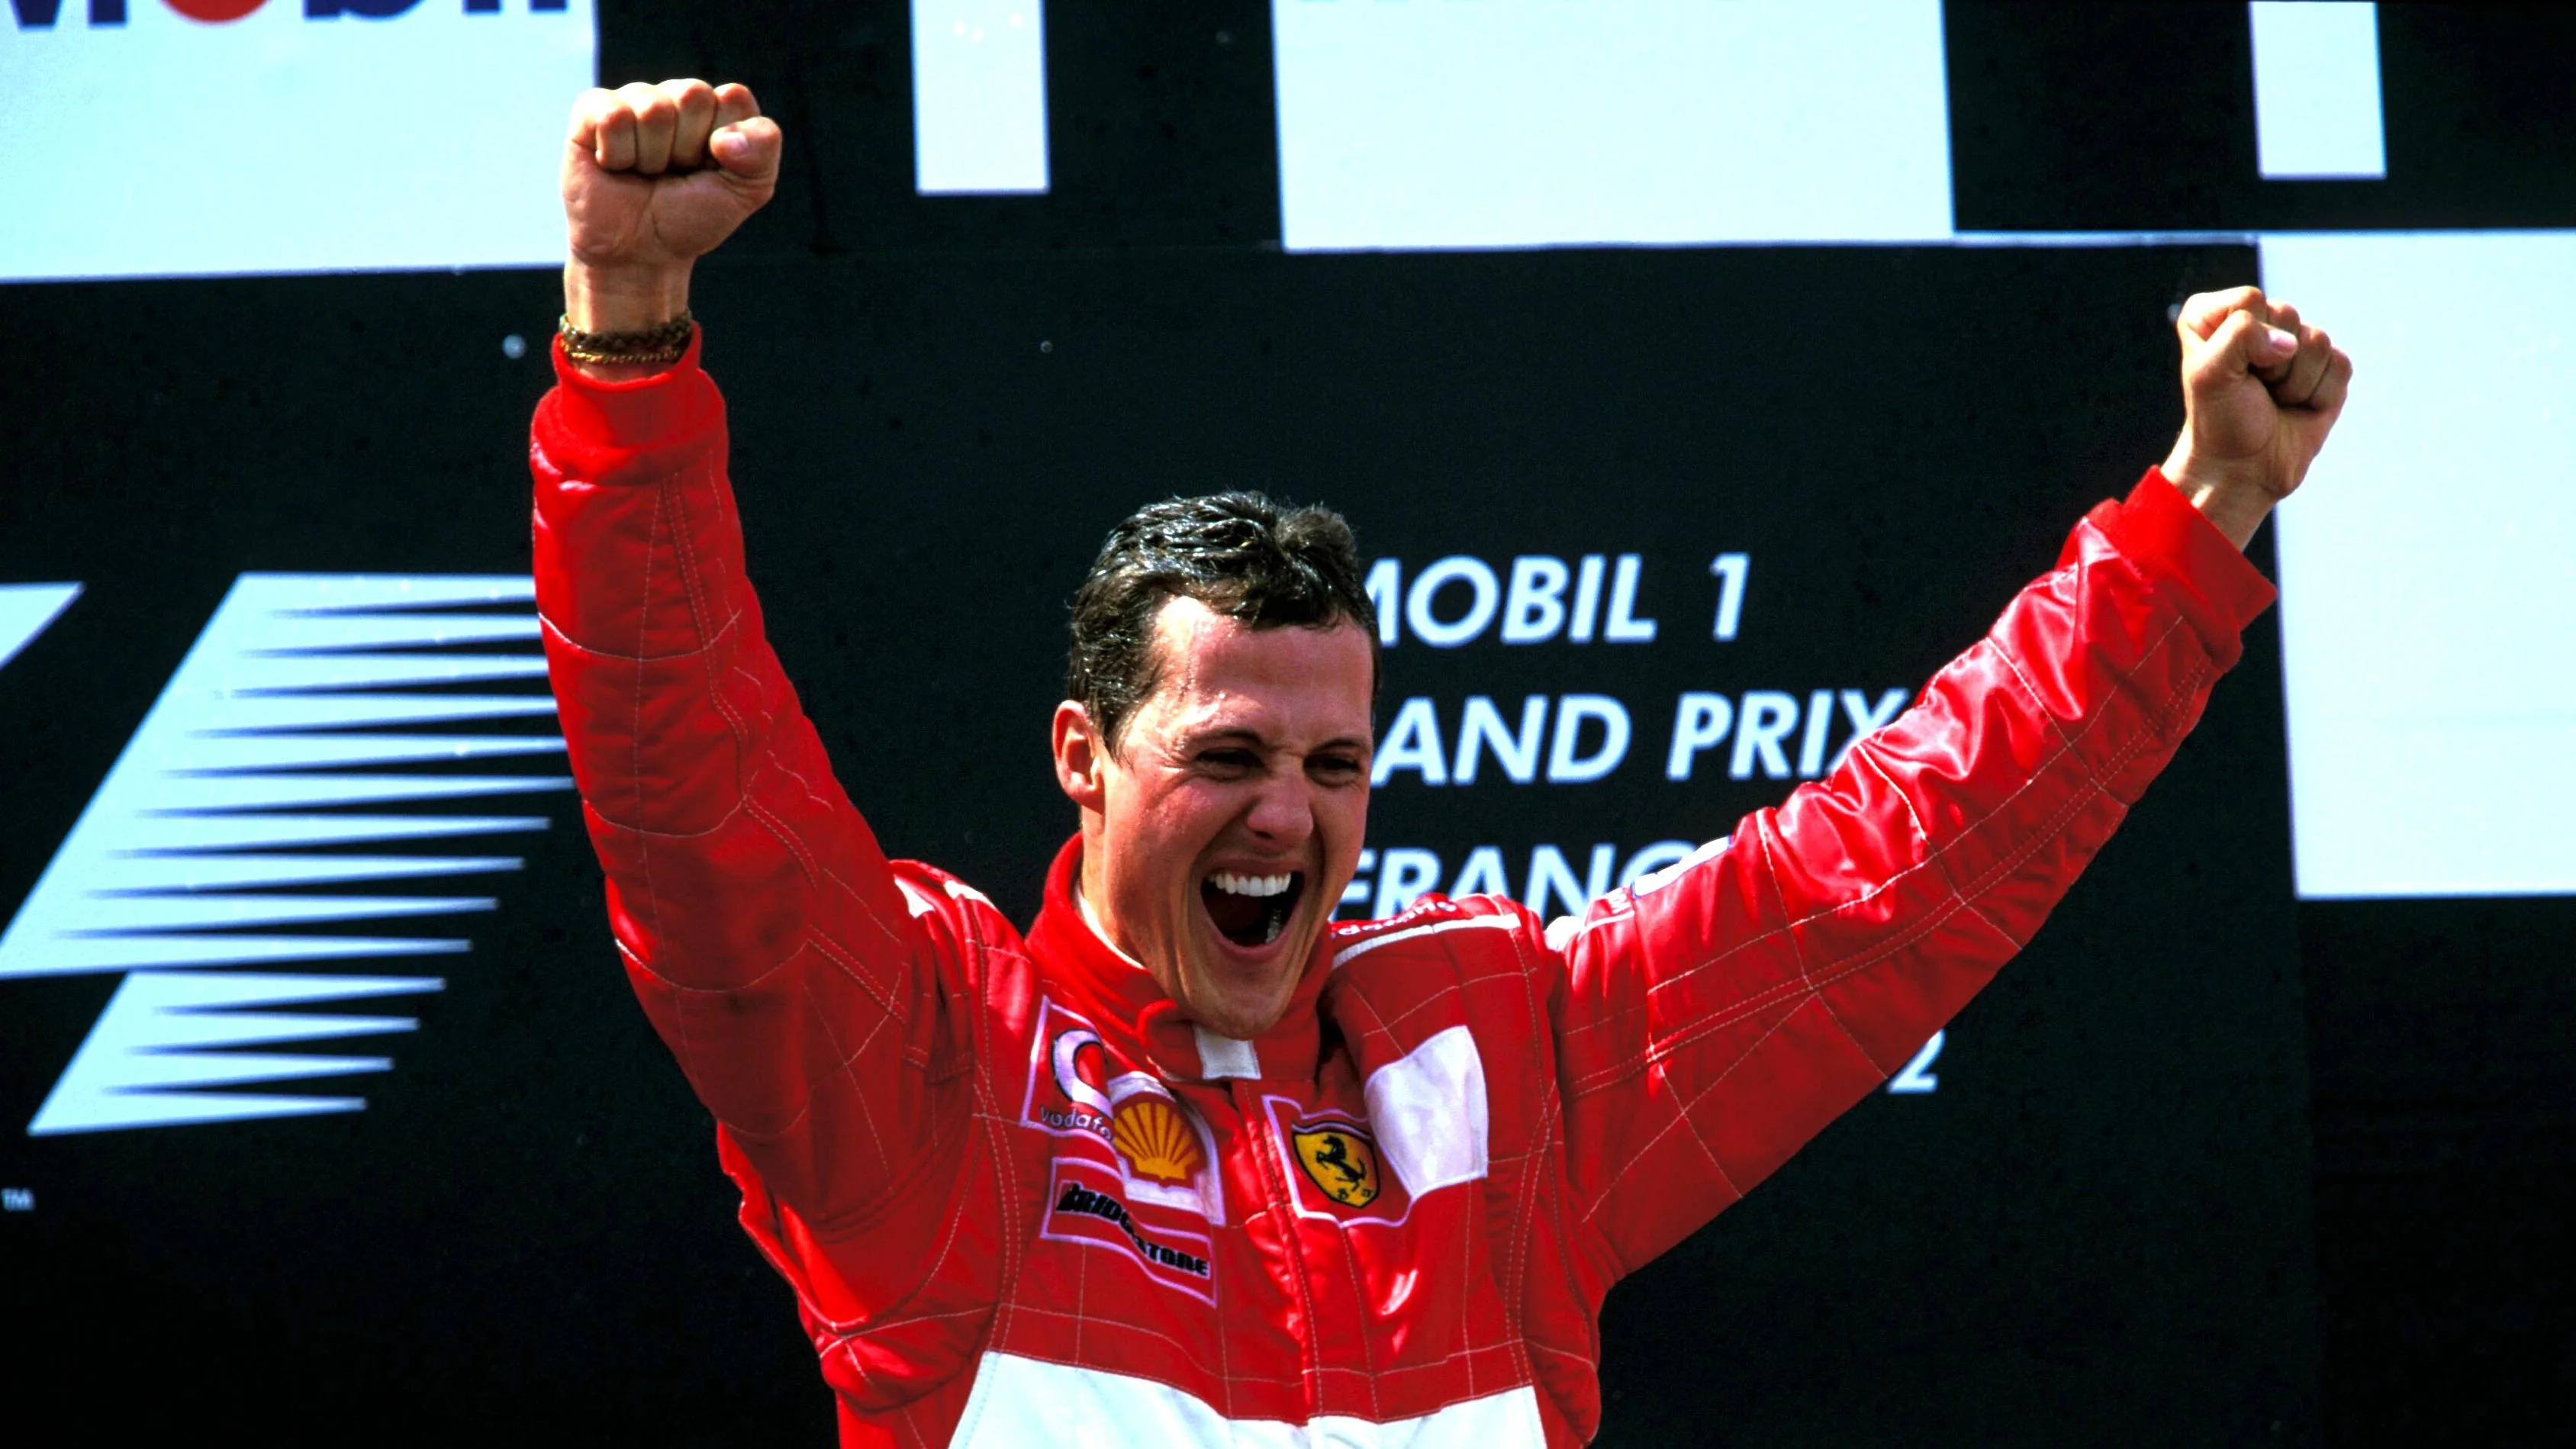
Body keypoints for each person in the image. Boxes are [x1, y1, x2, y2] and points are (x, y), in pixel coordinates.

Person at [530, 79, 2351, 1448]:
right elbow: (699, 805)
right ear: (1080, 759)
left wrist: (2196, 521)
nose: (1286, 814)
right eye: (1226, 752)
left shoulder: (1490, 1071)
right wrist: (624, 338)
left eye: (1335, 762)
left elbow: (1886, 881)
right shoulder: (940, 1070)